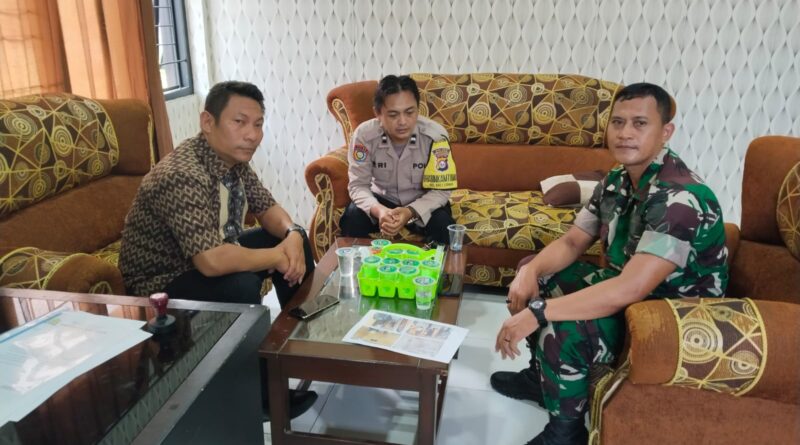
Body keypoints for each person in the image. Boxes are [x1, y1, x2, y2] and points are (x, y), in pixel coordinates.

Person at [491, 83, 729, 445]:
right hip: (628, 290)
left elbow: (631, 288)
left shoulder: (679, 198)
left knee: (565, 326)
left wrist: (538, 313)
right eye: (617, 122)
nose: (625, 133)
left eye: (639, 123)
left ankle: (565, 434)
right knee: (541, 272)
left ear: (665, 132)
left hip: (671, 316)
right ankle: (542, 380)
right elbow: (573, 241)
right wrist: (530, 271)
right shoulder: (617, 179)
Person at [119, 80, 317, 420]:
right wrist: (278, 255)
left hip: (207, 257)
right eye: (239, 122)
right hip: (162, 282)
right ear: (207, 122)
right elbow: (211, 261)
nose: (252, 135)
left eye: (258, 124)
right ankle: (259, 396)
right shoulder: (182, 174)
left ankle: (302, 349)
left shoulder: (233, 160)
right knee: (240, 285)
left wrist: (294, 234)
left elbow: (267, 207)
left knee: (293, 242)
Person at [339, 74, 457, 244]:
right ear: (378, 113)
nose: (403, 122)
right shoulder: (364, 136)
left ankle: (435, 263)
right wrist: (379, 211)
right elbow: (358, 185)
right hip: (381, 201)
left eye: (409, 112)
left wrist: (410, 211)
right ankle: (360, 262)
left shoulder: (436, 137)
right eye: (393, 115)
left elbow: (441, 191)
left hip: (422, 202)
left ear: (418, 109)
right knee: (352, 217)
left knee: (443, 225)